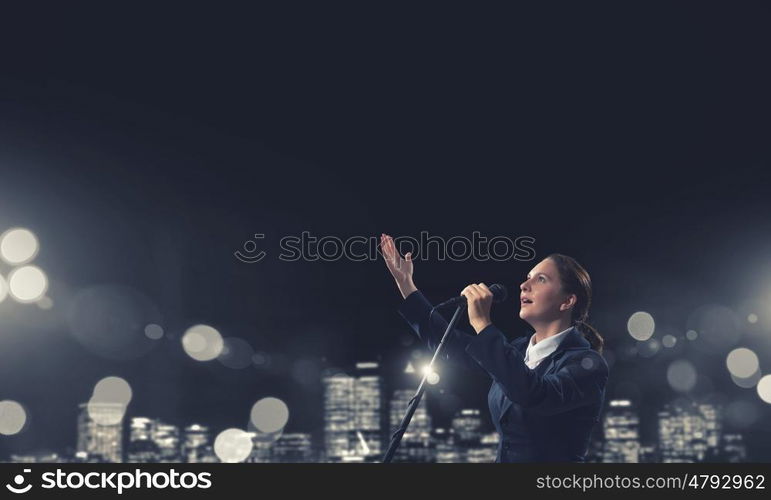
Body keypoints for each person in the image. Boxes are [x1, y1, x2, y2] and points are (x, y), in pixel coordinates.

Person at [380, 233, 608, 462]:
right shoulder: (517, 351)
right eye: (527, 277)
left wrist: (482, 324)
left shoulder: (587, 365)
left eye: (540, 279)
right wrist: (406, 284)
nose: (523, 285)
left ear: (567, 301)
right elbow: (451, 344)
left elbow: (535, 394)